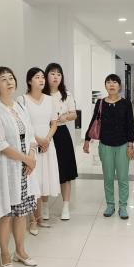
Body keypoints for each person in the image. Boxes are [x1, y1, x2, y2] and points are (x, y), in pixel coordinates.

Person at [0, 66, 39, 267]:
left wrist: (31, 157)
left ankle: (20, 251)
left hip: (23, 170)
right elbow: (0, 145)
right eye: (3, 79)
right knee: (6, 214)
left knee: (21, 213)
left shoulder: (19, 106)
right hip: (6, 171)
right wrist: (28, 160)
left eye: (11, 78)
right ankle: (5, 254)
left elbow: (31, 135)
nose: (9, 82)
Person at [83, 74, 134, 219]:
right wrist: (87, 139)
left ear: (119, 86)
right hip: (105, 145)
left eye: (114, 82)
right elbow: (94, 121)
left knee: (123, 177)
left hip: (123, 145)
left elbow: (130, 125)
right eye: (109, 82)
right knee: (108, 177)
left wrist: (130, 145)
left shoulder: (126, 103)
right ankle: (110, 204)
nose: (111, 85)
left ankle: (123, 206)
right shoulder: (100, 103)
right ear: (105, 85)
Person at [17, 67, 60, 235]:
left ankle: (40, 217)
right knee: (32, 182)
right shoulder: (22, 100)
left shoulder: (50, 100)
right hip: (31, 146)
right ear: (29, 81)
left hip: (48, 145)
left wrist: (47, 139)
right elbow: (23, 125)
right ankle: (32, 220)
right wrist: (38, 140)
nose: (41, 80)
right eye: (37, 77)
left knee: (43, 181)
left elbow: (54, 123)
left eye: (42, 77)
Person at [43, 63, 78, 220]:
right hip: (45, 133)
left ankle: (65, 206)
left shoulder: (66, 94)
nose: (56, 77)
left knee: (65, 171)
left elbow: (74, 114)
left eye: (58, 74)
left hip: (62, 134)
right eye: (52, 73)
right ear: (46, 76)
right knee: (45, 170)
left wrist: (65, 117)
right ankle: (44, 207)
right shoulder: (40, 94)